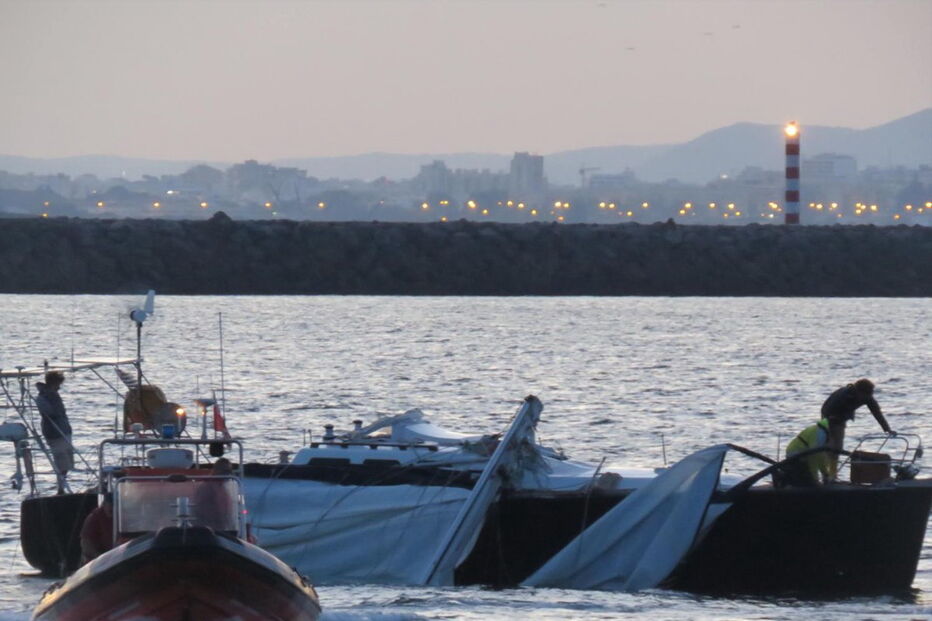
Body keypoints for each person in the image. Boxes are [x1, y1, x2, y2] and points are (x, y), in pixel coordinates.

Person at [822, 379, 892, 460]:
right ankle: (826, 467)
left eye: (870, 394)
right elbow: (827, 409)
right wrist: (831, 421)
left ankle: (833, 469)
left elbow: (877, 413)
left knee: (838, 447)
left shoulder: (868, 397)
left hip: (841, 419)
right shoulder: (844, 395)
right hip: (829, 416)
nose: (868, 397)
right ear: (859, 392)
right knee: (831, 447)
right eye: (867, 395)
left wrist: (887, 429)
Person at [35, 371, 73, 493]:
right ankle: (60, 488)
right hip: (55, 432)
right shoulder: (43, 397)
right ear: (53, 383)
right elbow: (50, 413)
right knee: (61, 461)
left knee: (68, 461)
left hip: (64, 430)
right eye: (58, 384)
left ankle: (62, 485)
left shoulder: (54, 395)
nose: (59, 387)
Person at [783, 418, 835, 486]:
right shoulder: (821, 434)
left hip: (795, 453)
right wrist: (815, 479)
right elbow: (813, 457)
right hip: (796, 454)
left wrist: (825, 473)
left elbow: (820, 457)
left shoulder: (819, 430)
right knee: (807, 479)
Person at [194, 458, 234, 531]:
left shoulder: (222, 487)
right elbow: (200, 508)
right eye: (225, 471)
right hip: (208, 529)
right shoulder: (207, 486)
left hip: (221, 529)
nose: (228, 474)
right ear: (216, 470)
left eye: (229, 471)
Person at [80, 494, 114, 564]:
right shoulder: (94, 517)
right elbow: (85, 541)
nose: (113, 507)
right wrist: (98, 557)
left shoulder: (124, 515)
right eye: (110, 504)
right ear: (104, 504)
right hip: (97, 560)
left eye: (114, 505)